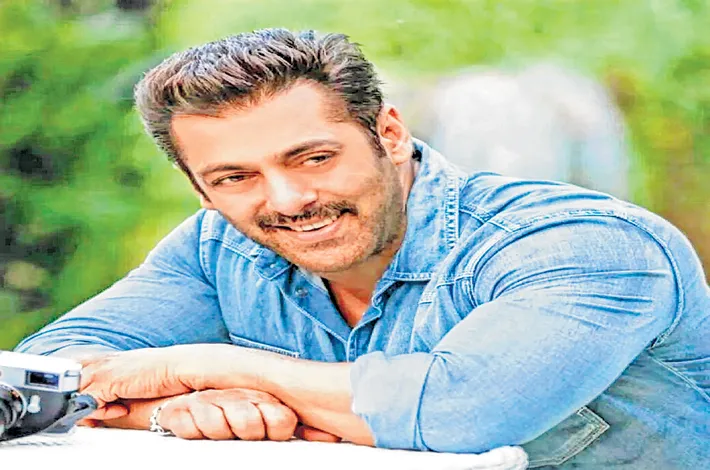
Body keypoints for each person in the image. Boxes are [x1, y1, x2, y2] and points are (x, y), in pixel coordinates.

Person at [15, 29, 709, 469]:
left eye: (313, 157)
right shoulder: (219, 247)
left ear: (391, 135)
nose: (288, 199)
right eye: (235, 177)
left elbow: (459, 413)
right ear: (201, 190)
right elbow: (48, 374)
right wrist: (177, 409)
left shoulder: (586, 246)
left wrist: (203, 366)